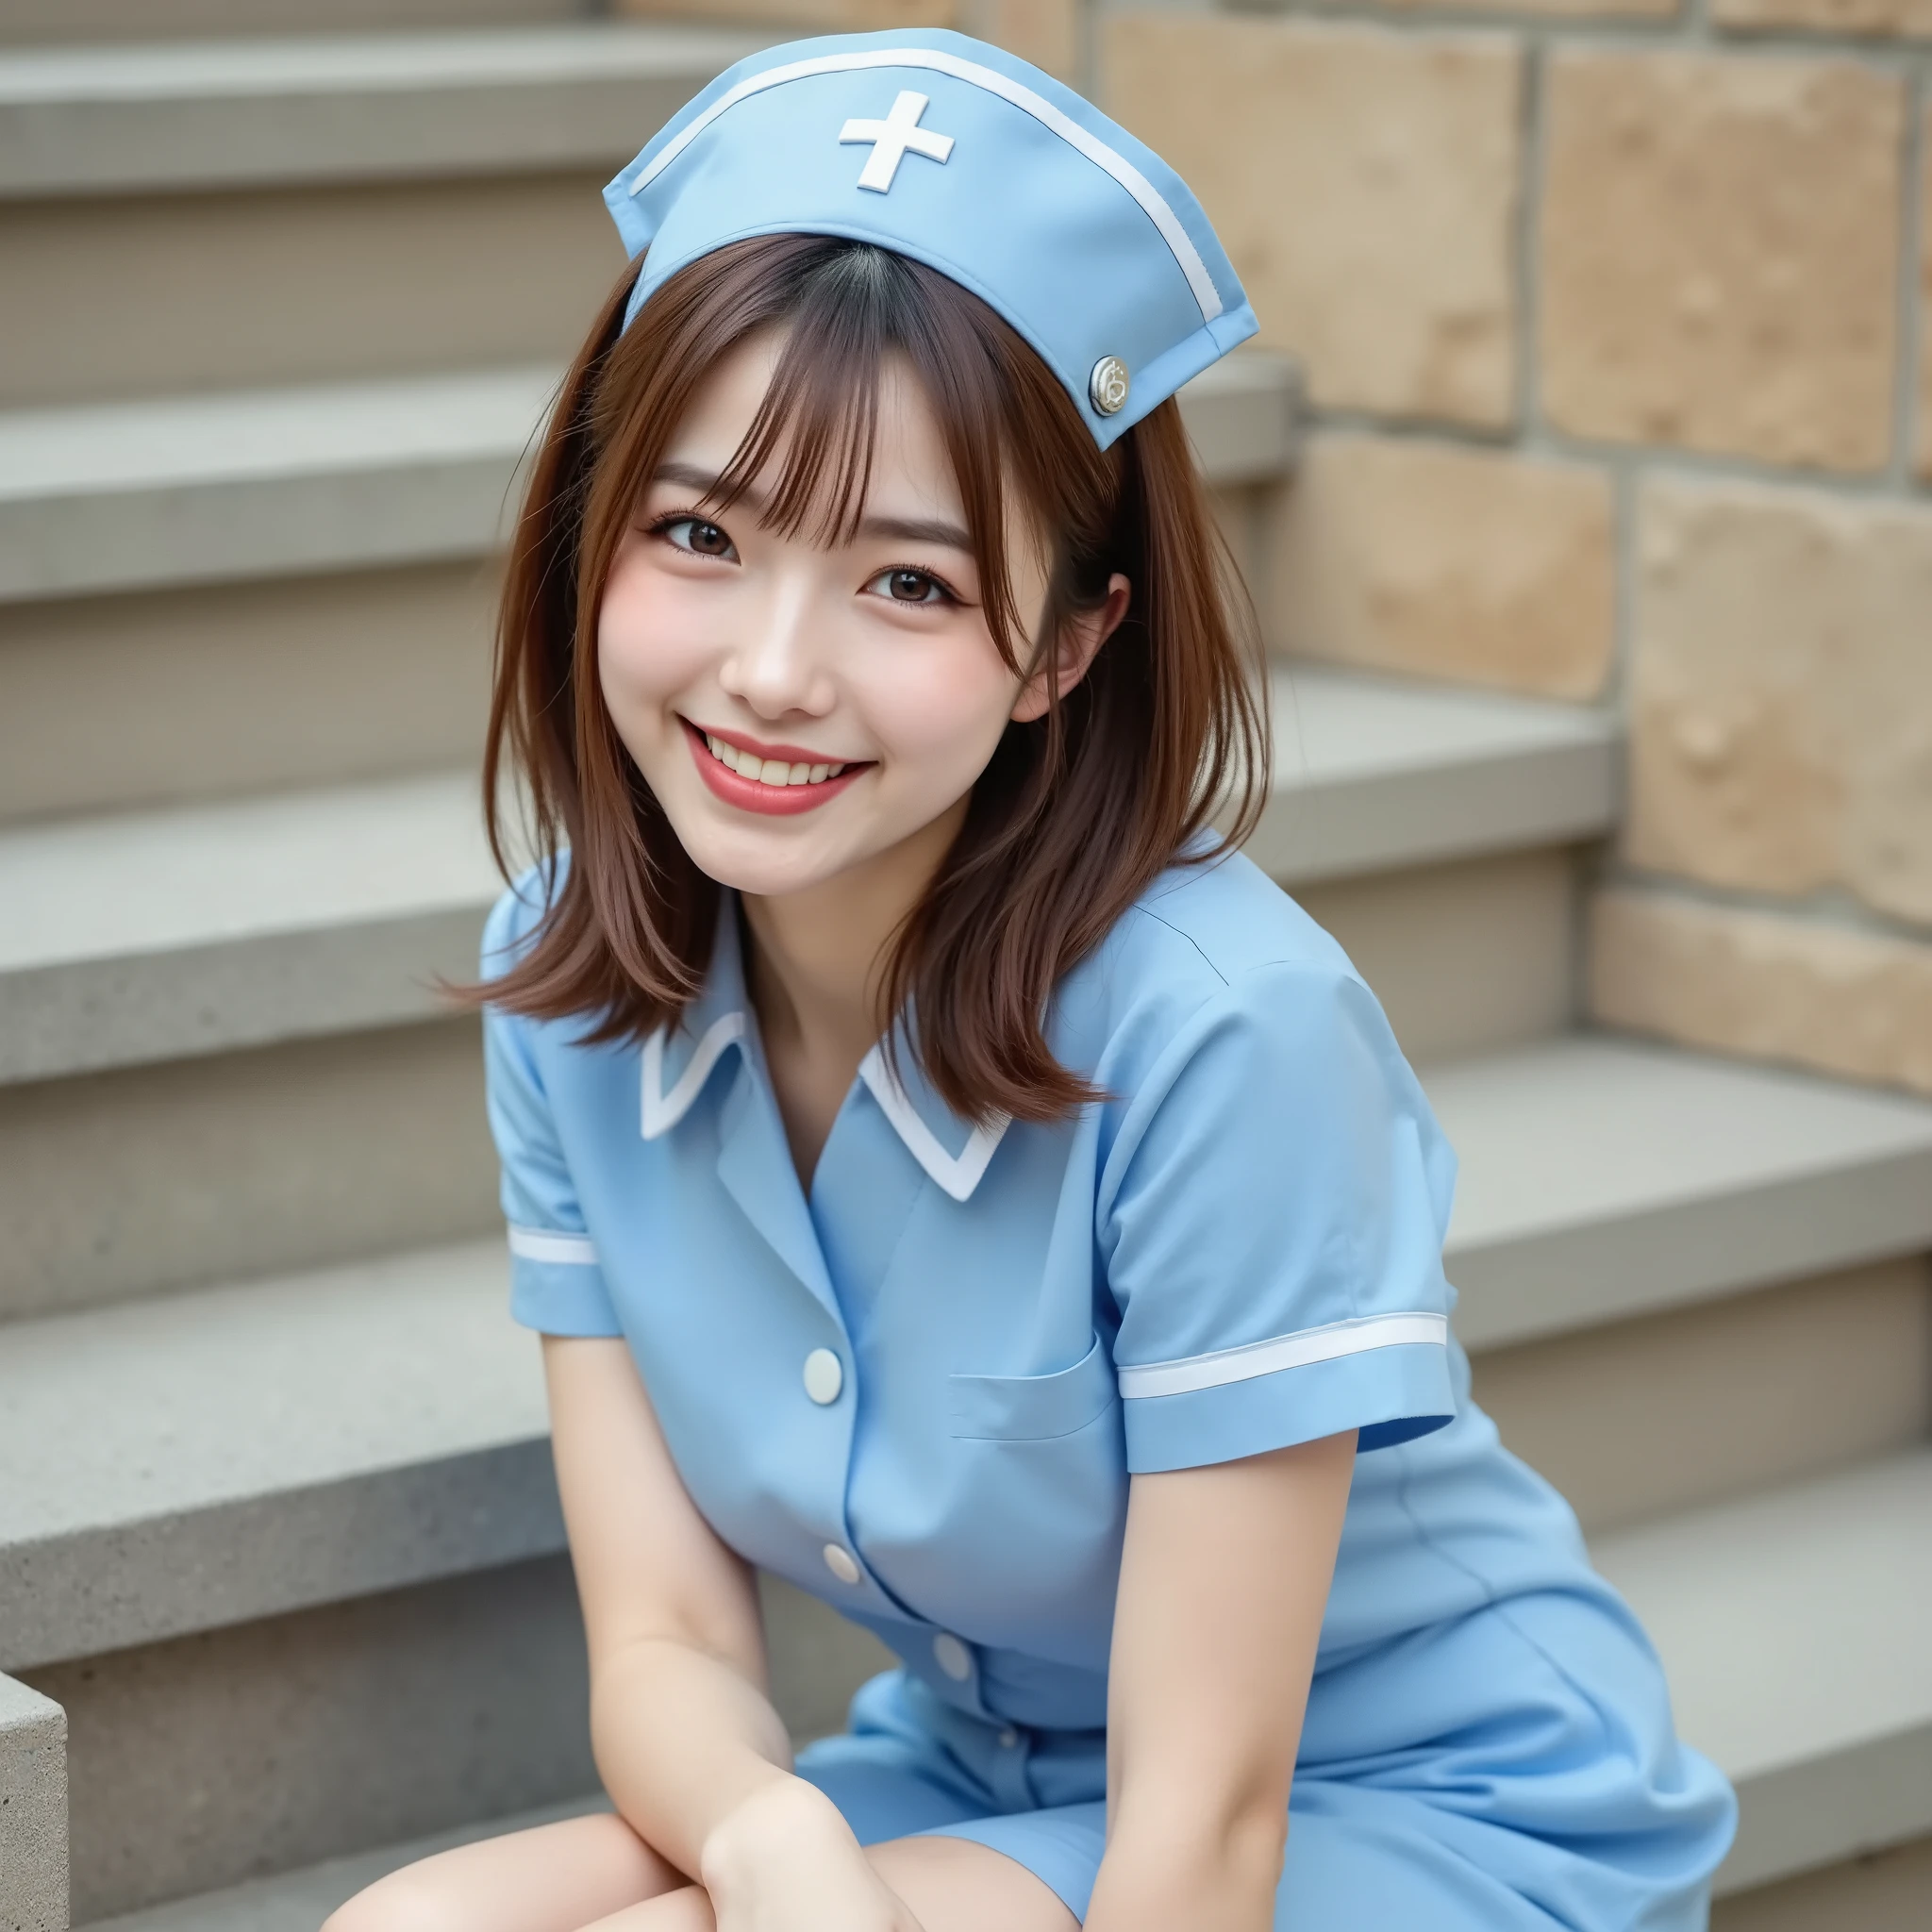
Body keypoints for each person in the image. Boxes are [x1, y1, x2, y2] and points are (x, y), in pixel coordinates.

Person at [326, 28, 1734, 1932]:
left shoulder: (1218, 1029)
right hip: (969, 1768)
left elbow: (1201, 1839)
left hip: (1398, 1799)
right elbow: (662, 1633)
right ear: (593, 534)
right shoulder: (574, 982)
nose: (767, 671)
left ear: (1068, 645)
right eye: (696, 536)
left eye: (904, 583)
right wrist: (772, 1841)